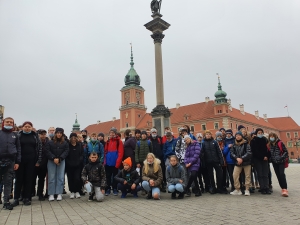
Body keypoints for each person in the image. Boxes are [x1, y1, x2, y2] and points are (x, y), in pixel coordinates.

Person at [13, 121, 42, 207]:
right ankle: (16, 198)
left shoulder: (35, 136)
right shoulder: (18, 135)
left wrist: (38, 161)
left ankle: (27, 198)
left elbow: (39, 149)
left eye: (29, 126)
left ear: (31, 127)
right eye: (25, 126)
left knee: (29, 179)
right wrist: (16, 161)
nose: (27, 128)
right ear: (22, 127)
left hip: (31, 160)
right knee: (19, 179)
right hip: (20, 161)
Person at [0, 117, 21, 210]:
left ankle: (6, 201)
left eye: (11, 122)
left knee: (8, 182)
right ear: (3, 123)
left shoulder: (15, 135)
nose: (9, 123)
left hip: (11, 161)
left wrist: (17, 162)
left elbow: (18, 149)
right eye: (7, 122)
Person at [46, 128, 69, 201]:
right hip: (51, 161)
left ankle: (59, 193)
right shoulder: (50, 142)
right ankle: (51, 194)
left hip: (61, 161)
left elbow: (66, 151)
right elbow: (47, 151)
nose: (59, 134)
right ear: (55, 133)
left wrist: (60, 158)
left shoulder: (65, 143)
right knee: (51, 177)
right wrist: (53, 158)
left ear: (62, 134)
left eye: (60, 133)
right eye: (57, 133)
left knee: (60, 177)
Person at [230, 131, 252, 196]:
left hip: (246, 162)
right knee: (235, 175)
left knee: (247, 176)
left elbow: (249, 153)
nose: (238, 137)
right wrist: (237, 158)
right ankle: (237, 189)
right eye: (236, 136)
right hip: (238, 163)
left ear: (241, 136)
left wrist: (242, 158)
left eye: (239, 135)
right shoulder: (234, 144)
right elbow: (231, 153)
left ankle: (247, 189)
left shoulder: (246, 144)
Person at [250, 128, 271, 194]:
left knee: (265, 174)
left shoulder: (265, 140)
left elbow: (268, 149)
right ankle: (262, 188)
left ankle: (266, 187)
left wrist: (267, 156)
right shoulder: (253, 141)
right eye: (259, 133)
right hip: (257, 159)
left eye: (261, 132)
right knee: (260, 174)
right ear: (256, 133)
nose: (260, 134)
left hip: (265, 159)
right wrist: (262, 157)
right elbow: (254, 151)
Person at [268, 133, 289, 197]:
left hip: (281, 162)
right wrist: (270, 159)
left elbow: (286, 151)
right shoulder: (269, 144)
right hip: (274, 162)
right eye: (270, 137)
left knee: (282, 174)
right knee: (278, 175)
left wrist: (281, 157)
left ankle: (285, 189)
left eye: (273, 136)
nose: (272, 138)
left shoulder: (280, 143)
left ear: (275, 137)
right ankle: (282, 188)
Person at [104, 127, 124, 196]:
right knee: (108, 176)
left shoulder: (119, 141)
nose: (111, 134)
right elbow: (105, 152)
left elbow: (120, 153)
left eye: (112, 133)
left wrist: (118, 163)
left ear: (115, 134)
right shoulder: (108, 141)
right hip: (108, 162)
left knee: (115, 176)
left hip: (115, 162)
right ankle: (108, 188)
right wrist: (105, 161)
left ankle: (115, 188)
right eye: (110, 133)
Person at [66, 133, 84, 199]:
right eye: (72, 138)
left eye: (74, 138)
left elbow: (82, 154)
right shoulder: (68, 145)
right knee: (70, 179)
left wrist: (80, 161)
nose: (73, 139)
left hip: (78, 165)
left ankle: (77, 191)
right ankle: (72, 191)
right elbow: (66, 155)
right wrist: (68, 162)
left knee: (77, 178)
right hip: (69, 165)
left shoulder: (79, 145)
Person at [34, 129, 49, 201]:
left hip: (44, 163)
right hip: (35, 163)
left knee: (41, 179)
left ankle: (40, 193)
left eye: (44, 134)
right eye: (41, 134)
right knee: (32, 179)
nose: (43, 136)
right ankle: (31, 193)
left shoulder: (48, 142)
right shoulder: (35, 141)